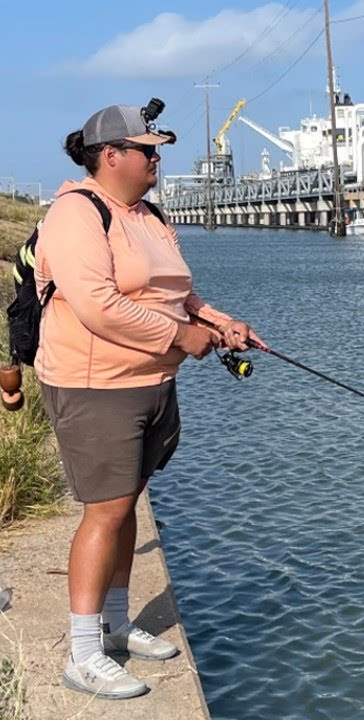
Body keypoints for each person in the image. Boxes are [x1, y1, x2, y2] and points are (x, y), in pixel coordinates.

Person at [36, 102, 265, 699]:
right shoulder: (75, 213)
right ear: (111, 156)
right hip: (95, 385)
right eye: (148, 150)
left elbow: (178, 294)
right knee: (105, 511)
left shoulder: (147, 214)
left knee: (126, 504)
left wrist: (218, 321)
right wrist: (179, 337)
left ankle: (115, 625)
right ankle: (83, 654)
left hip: (151, 383)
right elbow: (96, 303)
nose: (158, 158)